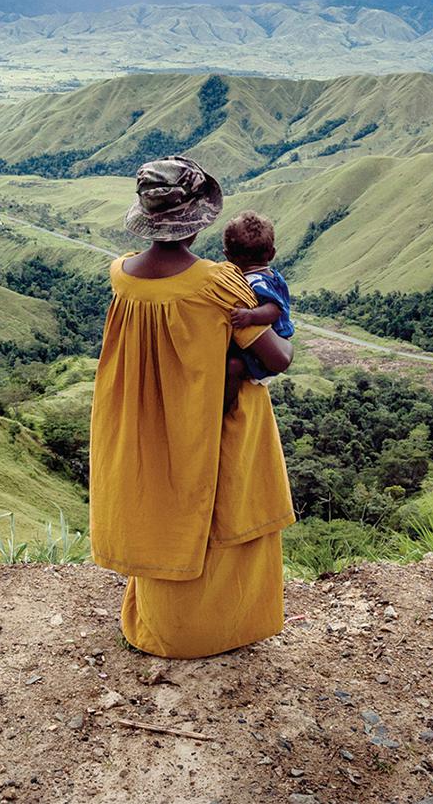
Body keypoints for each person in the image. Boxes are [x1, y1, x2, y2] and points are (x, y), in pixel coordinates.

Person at [88, 155, 297, 658]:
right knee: (220, 516)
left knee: (164, 512)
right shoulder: (217, 283)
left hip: (150, 422)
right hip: (217, 420)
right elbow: (277, 356)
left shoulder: (122, 276)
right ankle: (218, 629)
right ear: (199, 220)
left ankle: (161, 627)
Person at [221, 210, 295, 411]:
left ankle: (223, 409)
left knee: (233, 367)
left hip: (267, 351)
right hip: (276, 343)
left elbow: (274, 309)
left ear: (228, 256)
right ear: (271, 253)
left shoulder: (254, 282)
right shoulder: (271, 275)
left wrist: (250, 316)